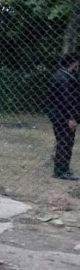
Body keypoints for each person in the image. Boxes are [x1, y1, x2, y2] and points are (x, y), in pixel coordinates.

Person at [47, 52, 80, 180]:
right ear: (73, 62)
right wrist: (71, 117)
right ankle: (61, 171)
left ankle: (62, 169)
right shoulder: (65, 78)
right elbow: (67, 100)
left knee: (64, 142)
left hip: (58, 115)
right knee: (65, 143)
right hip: (64, 117)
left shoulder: (60, 76)